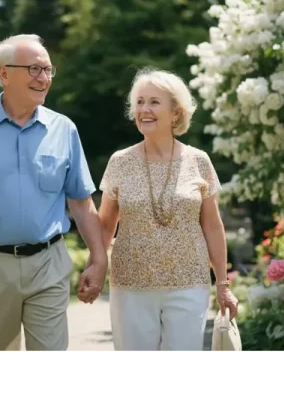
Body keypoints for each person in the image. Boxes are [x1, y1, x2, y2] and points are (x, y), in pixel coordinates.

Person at [0, 34, 108, 354]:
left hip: (48, 263)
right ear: (4, 74)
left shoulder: (64, 129)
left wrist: (99, 258)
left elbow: (82, 204)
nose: (43, 78)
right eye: (33, 69)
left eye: (47, 70)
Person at [96, 67, 238, 354]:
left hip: (189, 282)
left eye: (154, 102)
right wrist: (95, 267)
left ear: (176, 112)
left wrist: (223, 285)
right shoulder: (120, 162)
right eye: (139, 102)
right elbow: (104, 224)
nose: (144, 110)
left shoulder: (199, 161)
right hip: (131, 283)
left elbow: (212, 225)